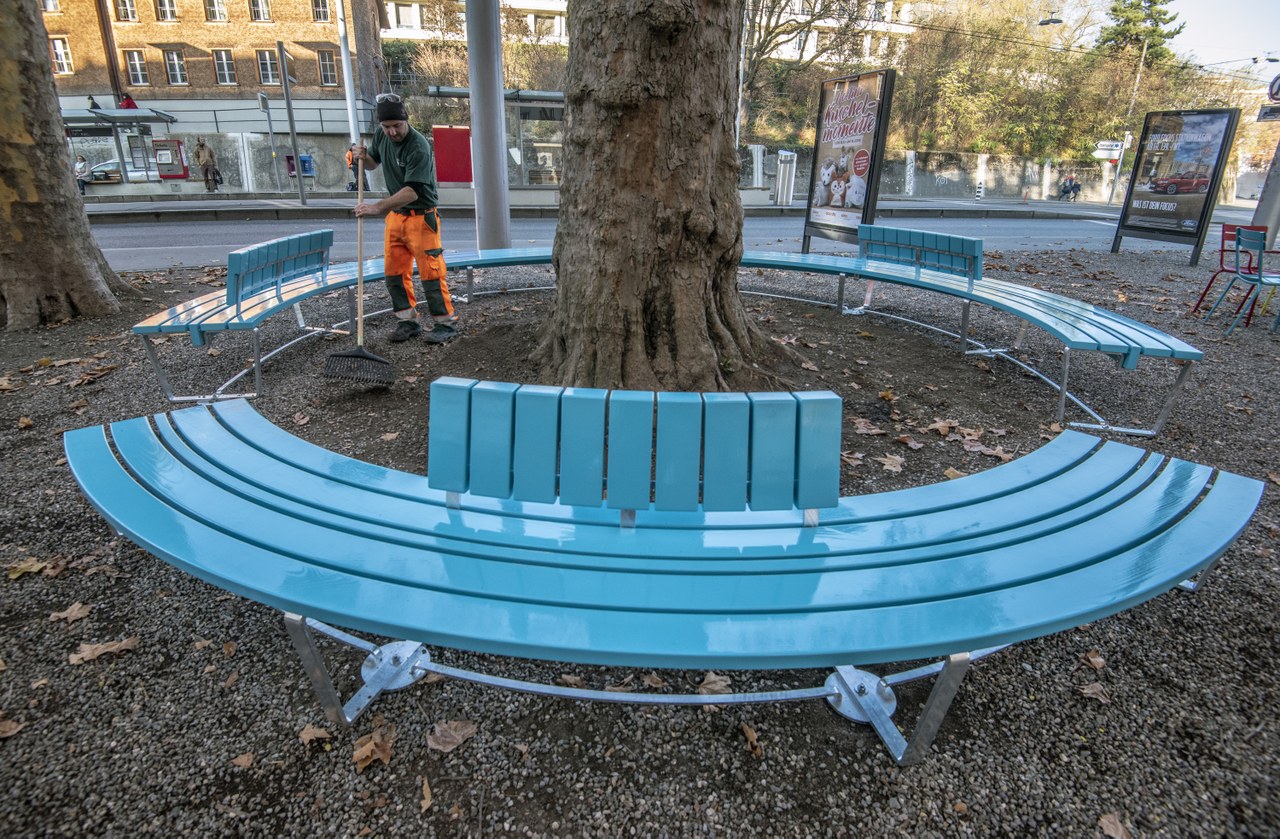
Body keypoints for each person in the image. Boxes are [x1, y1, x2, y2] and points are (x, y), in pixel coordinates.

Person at [353, 94, 457, 344]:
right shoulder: (382, 135)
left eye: (396, 126)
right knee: (394, 273)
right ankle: (407, 321)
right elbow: (372, 163)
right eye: (386, 127)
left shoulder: (418, 145)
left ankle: (445, 325)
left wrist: (377, 207)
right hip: (396, 218)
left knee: (431, 272)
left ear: (405, 121)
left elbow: (413, 191)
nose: (391, 132)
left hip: (421, 218)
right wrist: (360, 155)